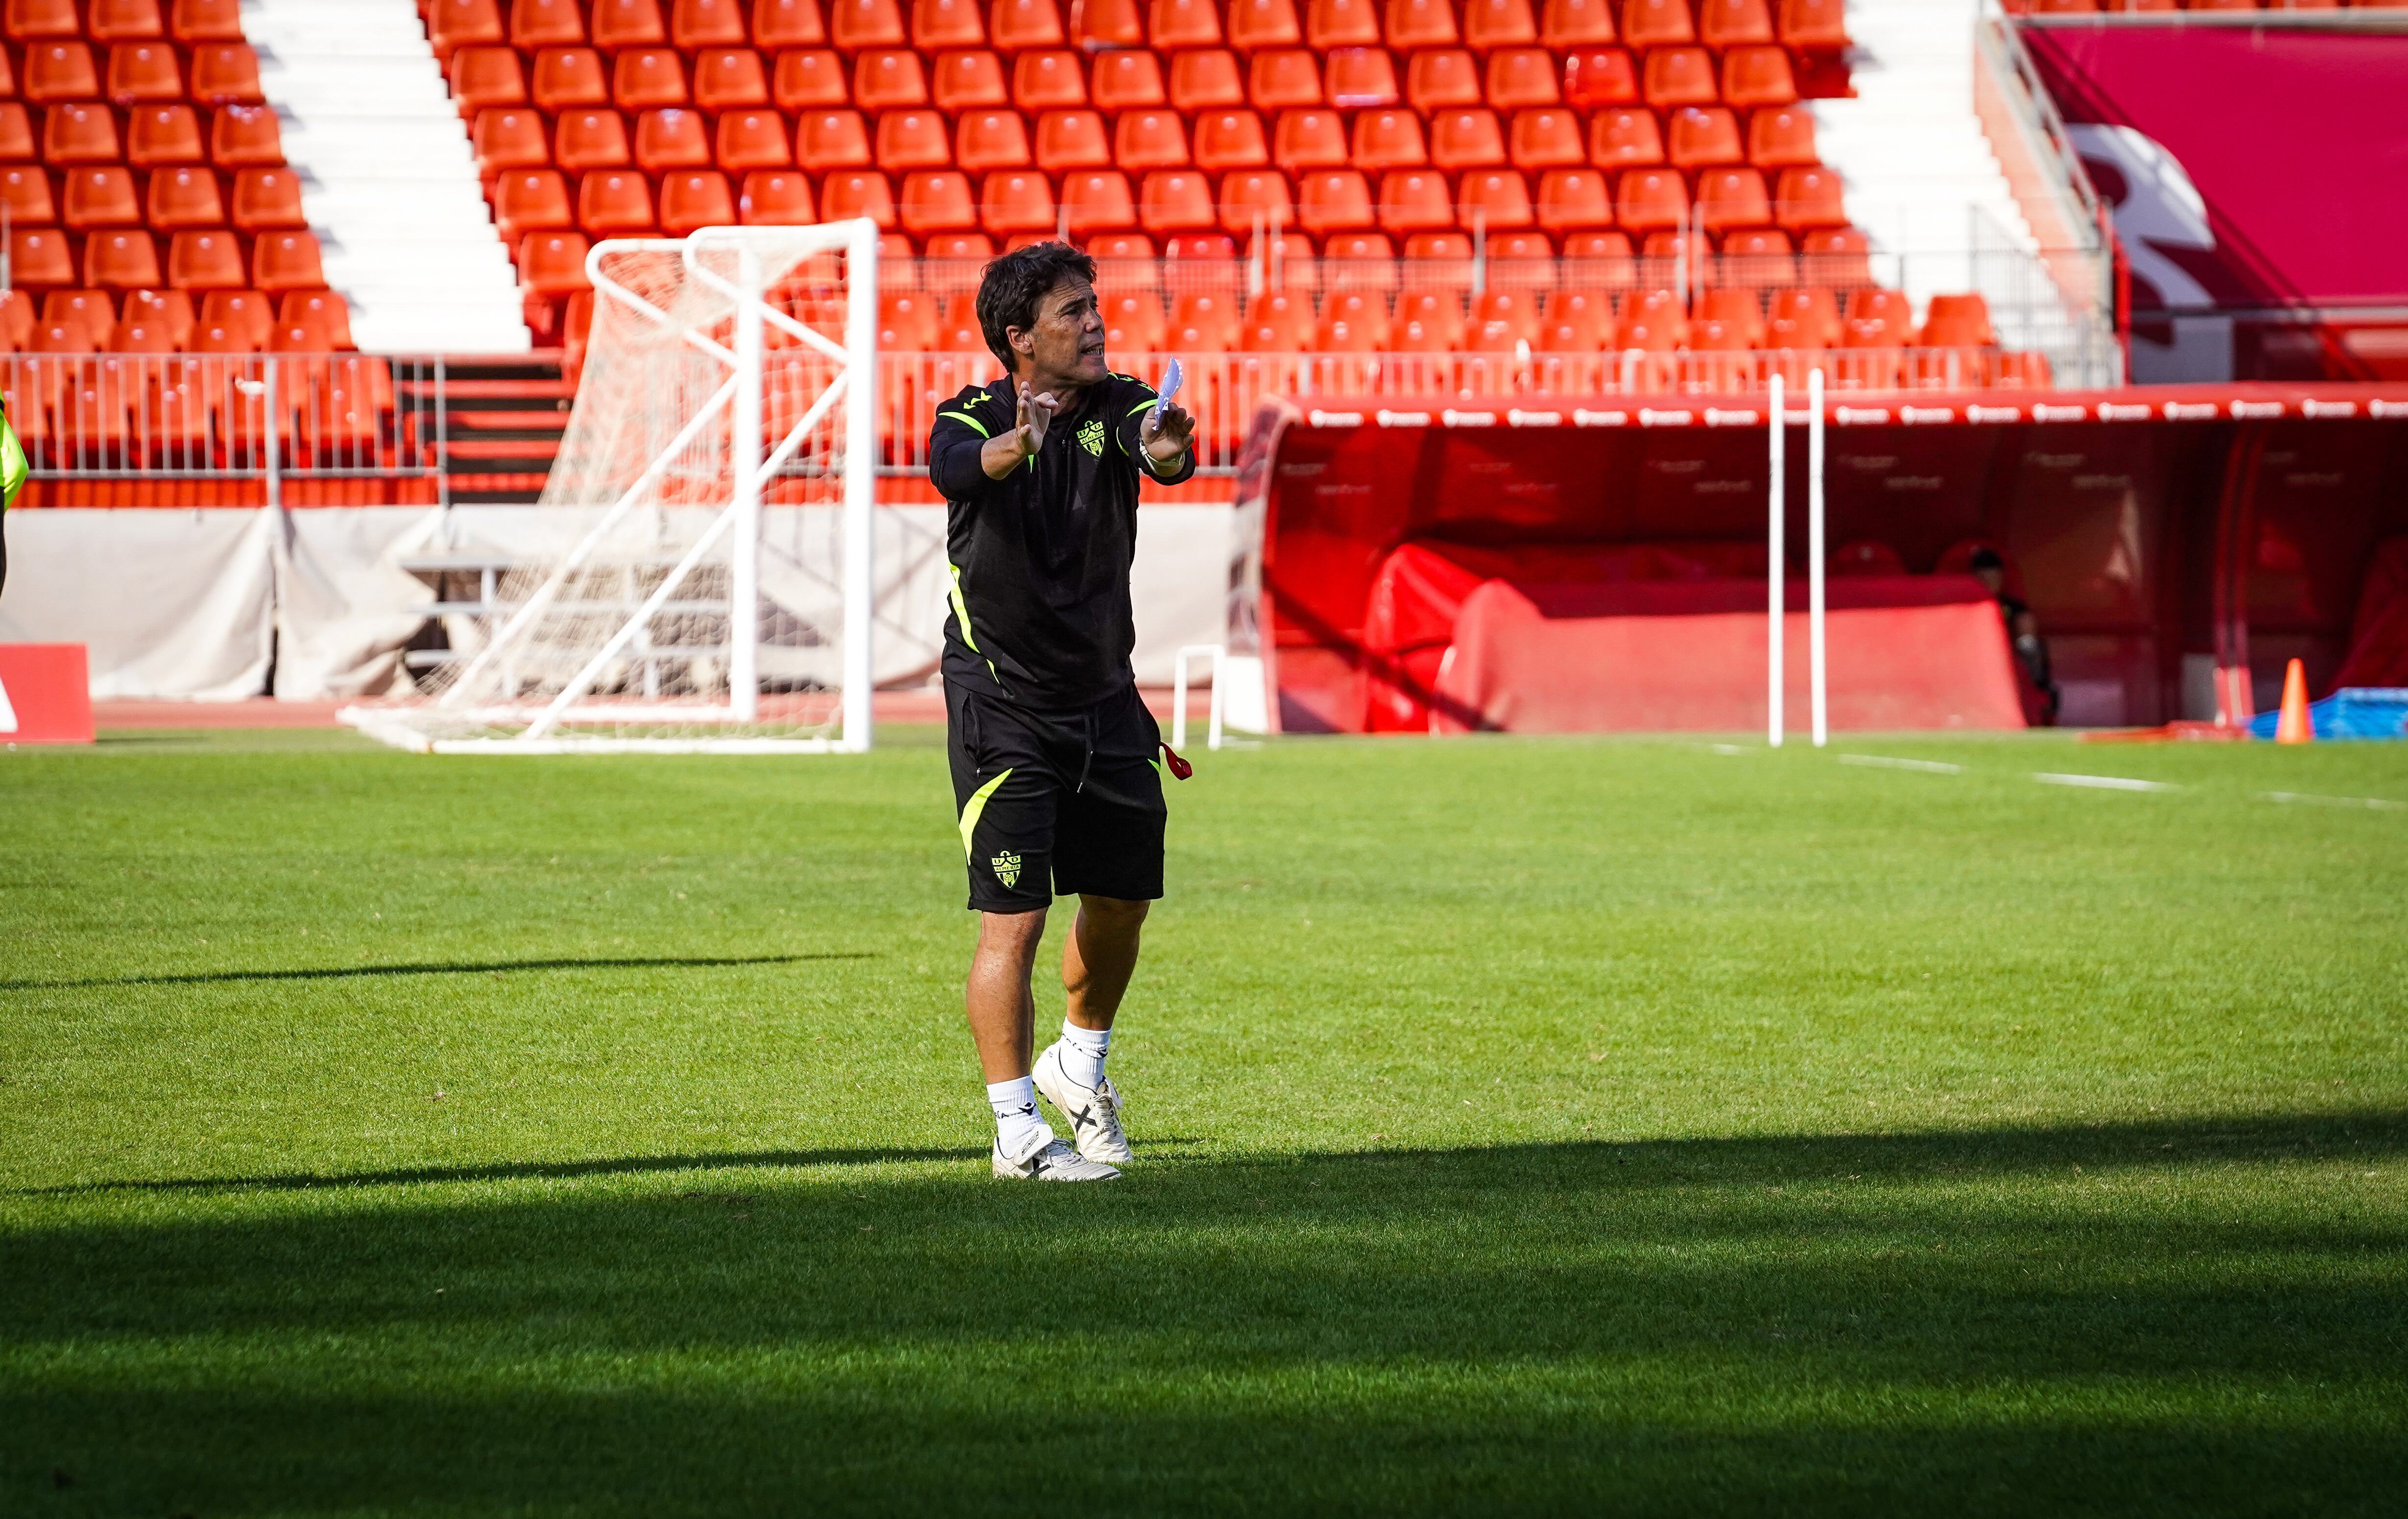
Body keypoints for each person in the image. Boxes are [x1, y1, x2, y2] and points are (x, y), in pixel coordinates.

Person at [925, 243, 1199, 1182]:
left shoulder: (1121, 403)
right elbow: (960, 468)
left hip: (1106, 699)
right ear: (1019, 338)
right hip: (1002, 704)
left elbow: (1159, 451)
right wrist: (1018, 445)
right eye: (1073, 311)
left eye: (1096, 306)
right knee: (1016, 920)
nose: (1096, 322)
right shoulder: (970, 413)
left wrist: (1170, 446)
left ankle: (1079, 1067)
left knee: (1125, 900)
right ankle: (1016, 1136)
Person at [1969, 547, 2057, 724]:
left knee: (2029, 643)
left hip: (2009, 659)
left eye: (1994, 577)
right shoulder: (1967, 606)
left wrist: (2024, 644)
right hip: (1975, 658)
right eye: (1984, 578)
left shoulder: (2012, 607)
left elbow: (2026, 631)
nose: (1990, 583)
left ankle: (2039, 693)